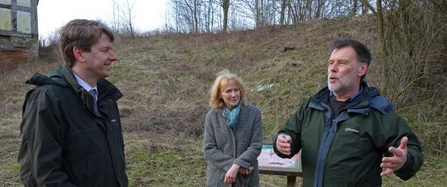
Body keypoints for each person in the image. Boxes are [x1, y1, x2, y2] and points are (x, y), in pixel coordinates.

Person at [273, 39, 423, 187]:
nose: (333, 68)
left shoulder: (376, 112)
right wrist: (282, 142)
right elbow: (288, 133)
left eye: (342, 63)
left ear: (361, 69)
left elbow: (411, 150)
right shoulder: (312, 105)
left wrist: (405, 160)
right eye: (331, 63)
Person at [18, 19, 128, 186]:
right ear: (79, 54)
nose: (114, 57)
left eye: (111, 50)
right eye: (105, 50)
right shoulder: (48, 99)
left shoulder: (106, 97)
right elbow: (44, 176)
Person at [203, 69, 263, 187]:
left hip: (247, 180)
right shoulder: (212, 116)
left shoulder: (254, 113)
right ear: (220, 94)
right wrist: (236, 166)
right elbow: (209, 149)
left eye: (236, 90)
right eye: (228, 91)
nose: (234, 95)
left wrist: (237, 166)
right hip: (219, 179)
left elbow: (256, 145)